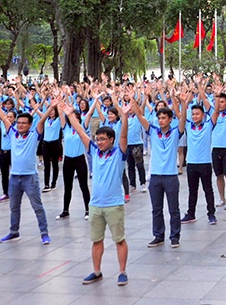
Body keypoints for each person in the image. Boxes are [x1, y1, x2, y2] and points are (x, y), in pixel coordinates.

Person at [65, 98, 130, 286]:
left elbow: (124, 137)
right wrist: (70, 115)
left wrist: (124, 116)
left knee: (119, 240)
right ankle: (96, 271)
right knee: (96, 240)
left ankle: (122, 271)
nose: (99, 142)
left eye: (103, 139)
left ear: (111, 140)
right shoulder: (93, 151)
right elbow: (80, 132)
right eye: (98, 139)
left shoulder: (119, 153)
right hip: (95, 205)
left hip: (114, 204)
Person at [0, 101, 51, 245]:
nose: (20, 125)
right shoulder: (13, 134)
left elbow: (42, 120)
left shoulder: (34, 135)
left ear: (29, 125)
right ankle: (13, 232)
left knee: (37, 206)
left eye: (23, 123)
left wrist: (52, 107)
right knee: (14, 207)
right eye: (18, 122)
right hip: (14, 177)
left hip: (30, 177)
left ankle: (44, 233)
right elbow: (3, 117)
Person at [135, 96, 184, 248]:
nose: (161, 120)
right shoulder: (153, 131)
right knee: (156, 209)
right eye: (159, 118)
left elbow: (182, 120)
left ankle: (174, 237)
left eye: (164, 118)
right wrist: (133, 101)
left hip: (170, 176)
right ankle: (158, 235)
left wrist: (184, 103)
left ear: (170, 119)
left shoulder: (176, 132)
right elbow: (140, 116)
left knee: (173, 208)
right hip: (155, 175)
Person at [180, 84, 218, 225]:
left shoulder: (208, 125)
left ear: (203, 115)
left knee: (208, 189)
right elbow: (181, 116)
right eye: (193, 114)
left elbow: (215, 112)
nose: (195, 116)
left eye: (197, 114)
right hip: (191, 163)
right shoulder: (188, 125)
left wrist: (210, 93)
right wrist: (184, 103)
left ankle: (211, 214)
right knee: (192, 190)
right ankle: (191, 213)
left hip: (205, 163)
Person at [56, 99, 93, 220]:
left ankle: (88, 209)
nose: (74, 119)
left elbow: (88, 114)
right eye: (72, 117)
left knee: (83, 185)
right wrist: (58, 102)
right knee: (68, 186)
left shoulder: (83, 128)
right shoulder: (66, 127)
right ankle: (65, 210)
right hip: (68, 160)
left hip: (80, 159)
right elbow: (60, 114)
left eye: (76, 117)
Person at [202, 87, 226, 209]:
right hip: (215, 148)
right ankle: (222, 198)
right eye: (218, 101)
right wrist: (200, 85)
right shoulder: (213, 113)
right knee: (219, 175)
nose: (220, 104)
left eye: (222, 102)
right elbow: (204, 99)